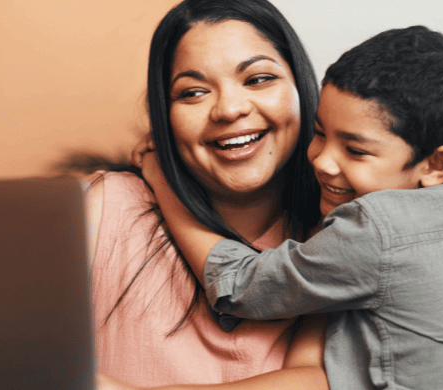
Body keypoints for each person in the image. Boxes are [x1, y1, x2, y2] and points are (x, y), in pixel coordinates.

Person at [142, 26, 443, 389]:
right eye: (319, 132)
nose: (321, 161)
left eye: (355, 150)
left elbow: (239, 286)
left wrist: (162, 181)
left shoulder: (379, 228)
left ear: (435, 165)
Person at [81, 0, 327, 389]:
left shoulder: (343, 233)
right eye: (193, 92)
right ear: (165, 114)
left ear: (300, 85)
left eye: (258, 79)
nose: (229, 109)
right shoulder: (102, 209)